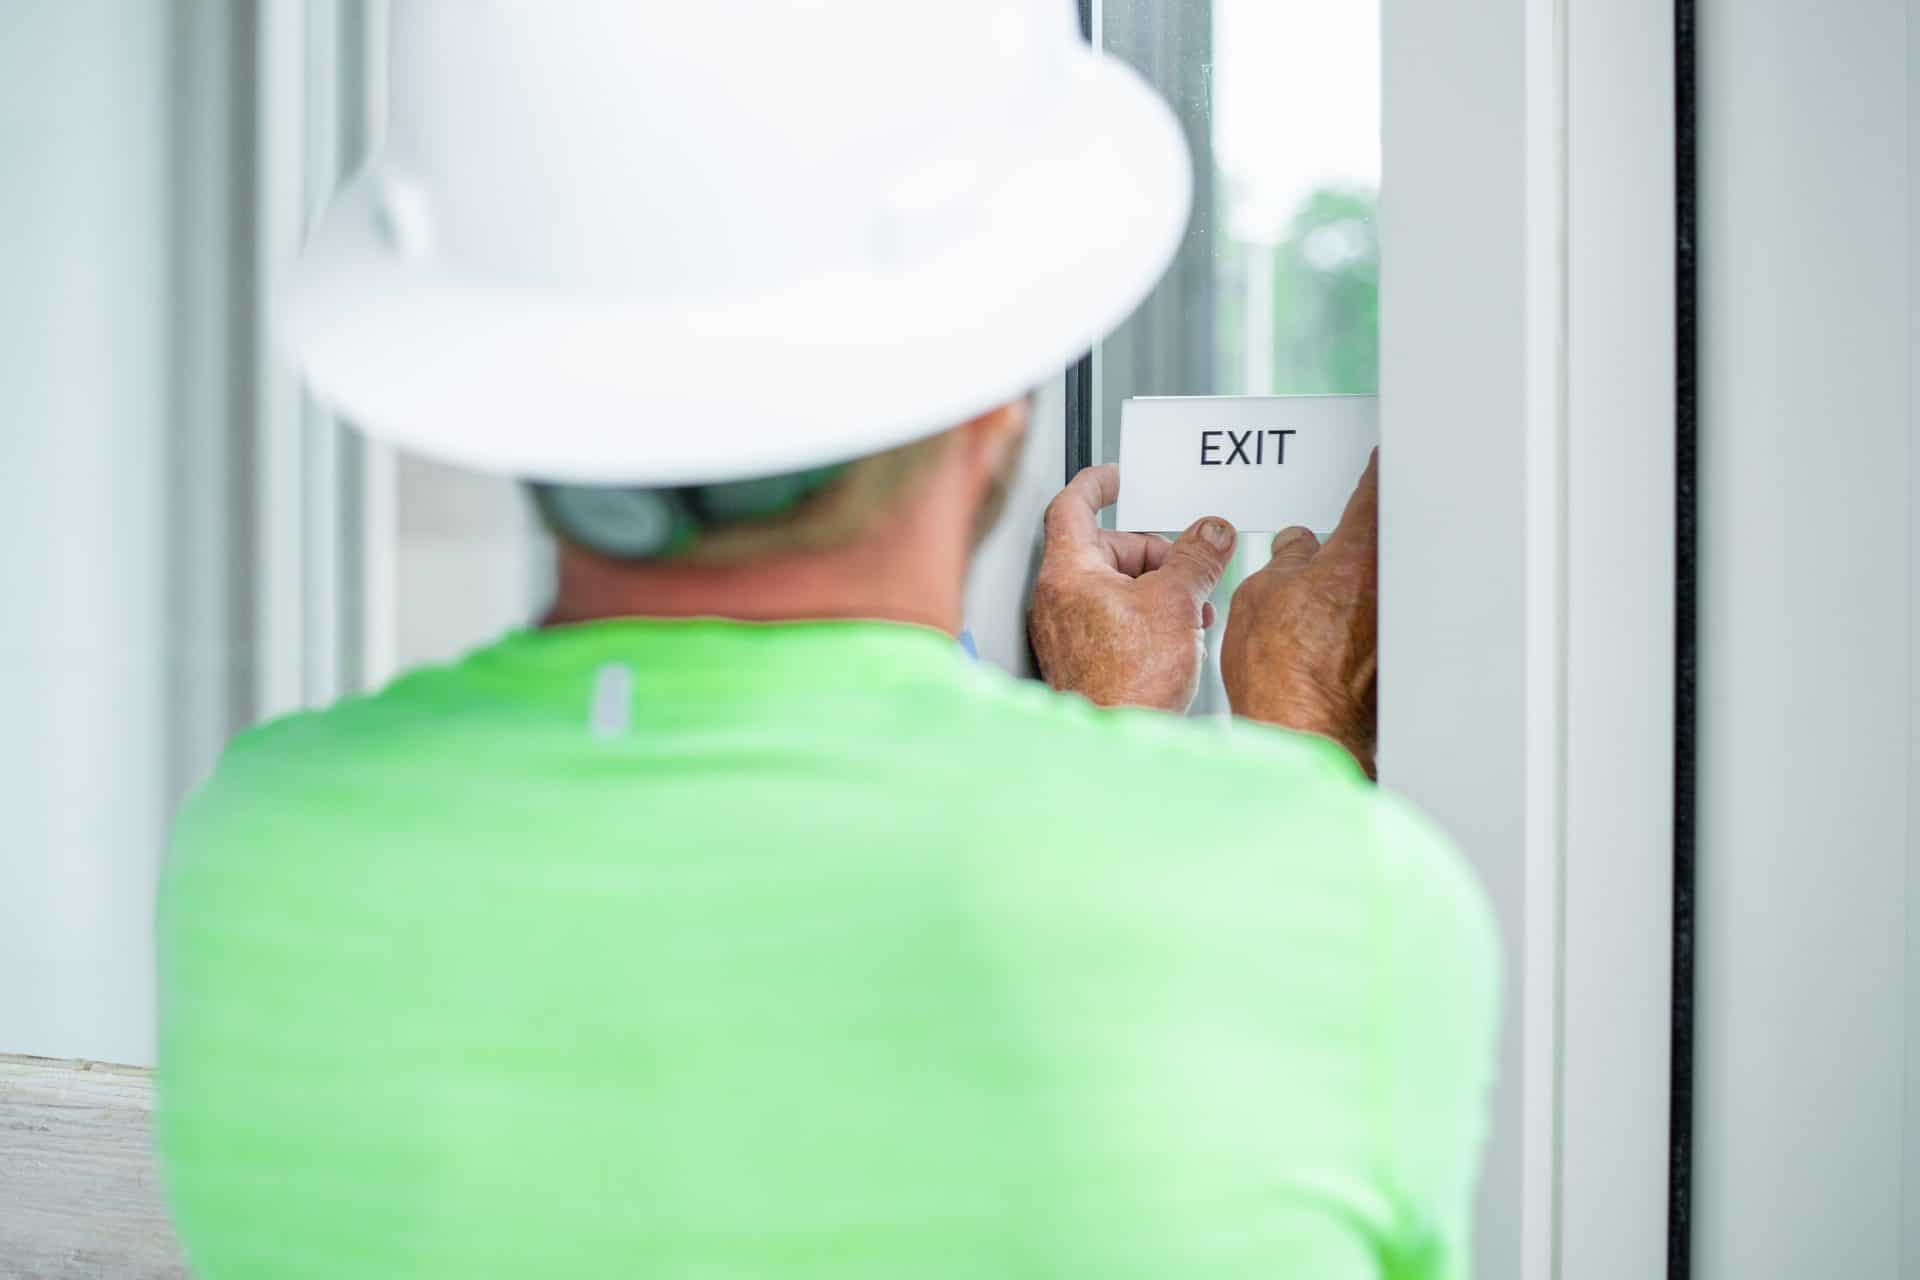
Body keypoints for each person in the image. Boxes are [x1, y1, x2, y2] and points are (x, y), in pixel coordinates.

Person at [156, 3, 1497, 1276]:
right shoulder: (1317, 888)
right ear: (995, 402)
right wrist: (1300, 727)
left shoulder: (268, 840)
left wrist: (1106, 732)